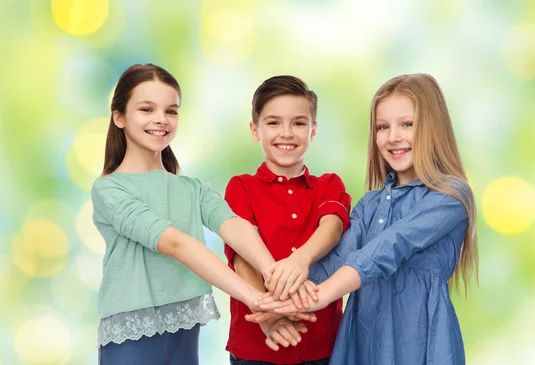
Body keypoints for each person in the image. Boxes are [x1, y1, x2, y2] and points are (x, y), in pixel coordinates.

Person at [251, 73, 478, 365]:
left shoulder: (451, 195)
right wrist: (283, 295)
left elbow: (387, 248)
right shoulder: (370, 204)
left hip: (418, 343)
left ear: (433, 128)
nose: (393, 137)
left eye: (407, 124)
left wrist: (318, 297)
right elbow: (336, 259)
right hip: (364, 340)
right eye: (382, 127)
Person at [92, 63, 277, 365]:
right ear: (119, 117)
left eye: (171, 111)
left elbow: (233, 225)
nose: (161, 120)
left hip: (184, 331)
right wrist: (253, 297)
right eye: (146, 109)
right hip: (130, 340)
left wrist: (273, 273)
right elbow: (177, 244)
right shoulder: (109, 190)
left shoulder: (192, 189)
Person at [224, 75, 352, 365]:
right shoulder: (241, 187)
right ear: (255, 130)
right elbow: (241, 256)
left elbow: (332, 226)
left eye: (298, 123)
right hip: (255, 345)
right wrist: (267, 316)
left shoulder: (329, 185)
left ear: (313, 130)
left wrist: (301, 259)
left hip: (323, 343)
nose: (287, 133)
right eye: (273, 122)